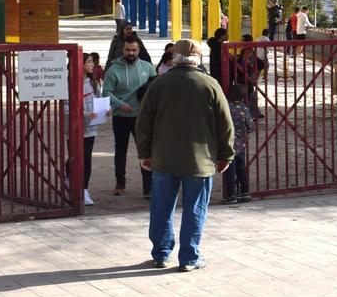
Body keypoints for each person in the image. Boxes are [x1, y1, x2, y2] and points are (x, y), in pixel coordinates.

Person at [136, 39, 234, 272]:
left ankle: (161, 254)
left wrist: (144, 153)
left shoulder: (159, 84)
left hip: (163, 158)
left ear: (174, 58)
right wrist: (226, 156)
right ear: (198, 59)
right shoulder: (210, 84)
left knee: (161, 208)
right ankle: (189, 258)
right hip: (200, 161)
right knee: (195, 209)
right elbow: (225, 124)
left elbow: (144, 123)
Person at [103, 36, 156, 197]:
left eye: (134, 50)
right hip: (121, 117)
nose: (131, 53)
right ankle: (120, 183)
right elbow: (106, 92)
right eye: (128, 50)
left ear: (139, 50)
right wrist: (120, 104)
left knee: (145, 151)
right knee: (120, 151)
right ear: (123, 50)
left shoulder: (147, 67)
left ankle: (148, 188)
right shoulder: (113, 70)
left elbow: (156, 88)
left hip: (142, 117)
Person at [65, 53, 106, 206]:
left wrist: (106, 110)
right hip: (73, 127)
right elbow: (65, 108)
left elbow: (99, 100)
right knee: (75, 157)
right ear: (80, 64)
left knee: (86, 158)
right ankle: (71, 182)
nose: (92, 65)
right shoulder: (68, 83)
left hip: (90, 128)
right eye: (89, 62)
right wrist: (85, 114)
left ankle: (84, 189)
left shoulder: (94, 82)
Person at [221, 84, 253, 205]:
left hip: (228, 143)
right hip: (241, 144)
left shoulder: (226, 107)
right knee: (241, 169)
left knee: (230, 170)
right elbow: (251, 127)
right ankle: (245, 192)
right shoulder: (244, 109)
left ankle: (231, 195)